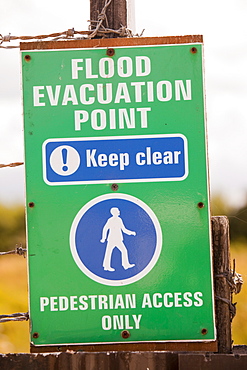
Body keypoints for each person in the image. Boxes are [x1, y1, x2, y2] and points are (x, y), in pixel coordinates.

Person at [100, 207, 136, 271]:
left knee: (124, 250)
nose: (119, 211)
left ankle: (126, 265)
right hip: (111, 239)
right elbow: (105, 228)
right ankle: (106, 266)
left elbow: (124, 229)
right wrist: (103, 238)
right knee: (108, 252)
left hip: (118, 239)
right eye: (117, 211)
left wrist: (131, 233)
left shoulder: (119, 219)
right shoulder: (110, 220)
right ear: (114, 212)